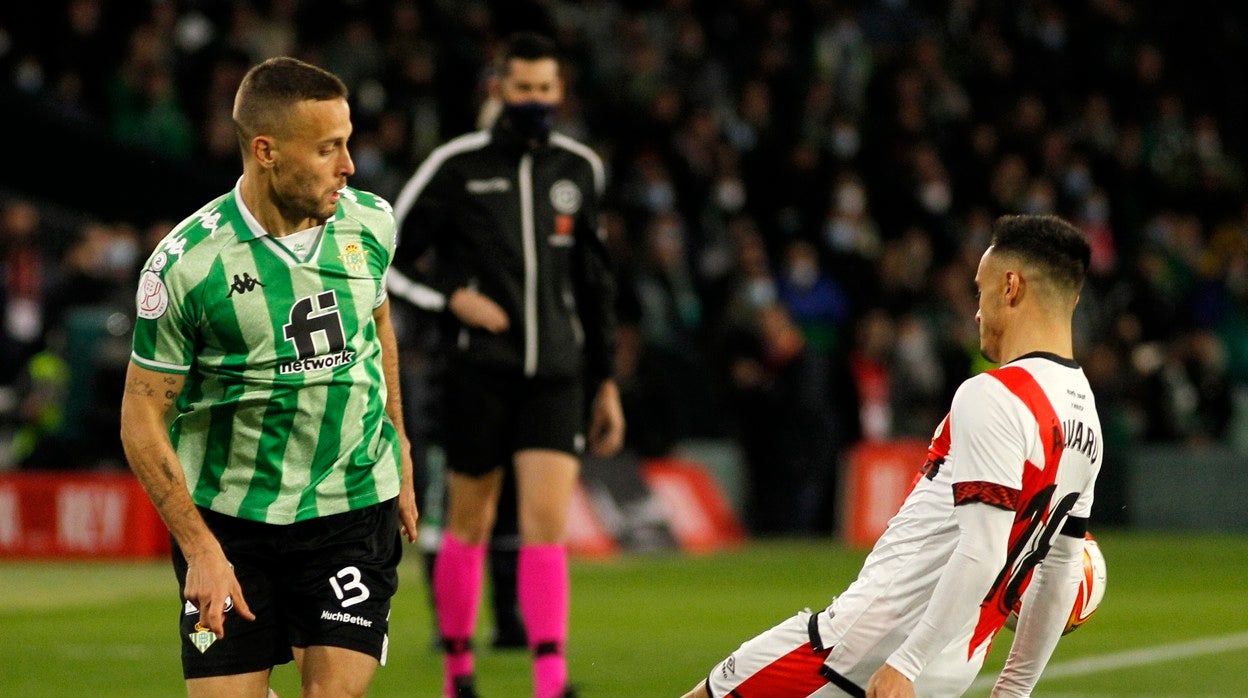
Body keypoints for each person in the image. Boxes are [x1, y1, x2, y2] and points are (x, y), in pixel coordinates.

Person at [682, 214, 1102, 698]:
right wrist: (1014, 689)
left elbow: (982, 550)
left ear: (1011, 287)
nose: (977, 312)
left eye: (980, 291)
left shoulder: (995, 394)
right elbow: (1062, 570)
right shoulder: (1084, 411)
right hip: (950, 667)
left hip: (863, 651)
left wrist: (905, 662)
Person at [120, 56, 418, 697]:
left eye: (349, 143)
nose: (350, 166)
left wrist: (401, 440)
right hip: (230, 523)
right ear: (266, 151)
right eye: (329, 148)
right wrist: (198, 546)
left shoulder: (369, 224)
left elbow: (378, 325)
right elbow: (141, 418)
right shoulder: (185, 266)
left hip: (350, 505)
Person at [387, 32, 625, 698]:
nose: (536, 101)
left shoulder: (579, 169)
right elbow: (386, 260)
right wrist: (450, 299)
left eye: (546, 89)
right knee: (471, 523)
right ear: (501, 89)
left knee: (546, 528)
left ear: (559, 92)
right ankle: (457, 672)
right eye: (524, 89)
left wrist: (604, 380)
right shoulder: (456, 165)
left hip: (557, 374)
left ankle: (551, 680)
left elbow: (595, 285)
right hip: (477, 373)